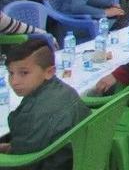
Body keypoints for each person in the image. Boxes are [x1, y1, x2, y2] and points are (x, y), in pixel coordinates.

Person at [2, 40, 91, 168]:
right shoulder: (64, 89)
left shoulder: (31, 115)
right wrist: (11, 147)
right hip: (75, 159)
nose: (14, 81)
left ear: (49, 72)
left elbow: (22, 162)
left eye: (24, 73)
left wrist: (11, 151)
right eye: (11, 73)